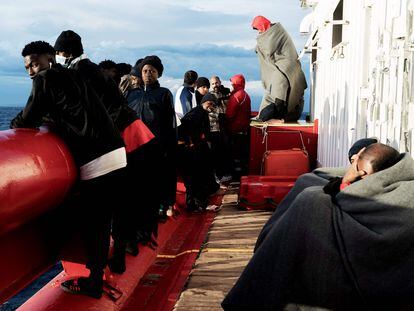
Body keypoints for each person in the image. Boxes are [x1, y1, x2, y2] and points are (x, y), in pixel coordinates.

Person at [222, 143, 414, 311]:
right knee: (308, 184)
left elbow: (349, 198)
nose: (352, 162)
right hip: (385, 271)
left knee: (311, 203)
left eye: (356, 164)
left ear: (363, 173)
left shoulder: (389, 194)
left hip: (368, 277)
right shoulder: (402, 180)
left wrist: (346, 180)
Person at [11, 41, 126, 299]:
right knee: (109, 216)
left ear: (50, 58)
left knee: (94, 225)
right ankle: (117, 261)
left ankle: (94, 282)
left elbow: (27, 118)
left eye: (35, 63)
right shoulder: (73, 75)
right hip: (117, 150)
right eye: (28, 67)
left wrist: (18, 123)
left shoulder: (45, 79)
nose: (31, 71)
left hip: (96, 157)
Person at [54, 30, 157, 274]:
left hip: (126, 139)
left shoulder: (80, 73)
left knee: (122, 201)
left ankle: (121, 253)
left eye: (58, 53)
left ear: (65, 53)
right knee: (129, 199)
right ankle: (125, 249)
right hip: (136, 136)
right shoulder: (90, 70)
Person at [127, 55, 177, 221]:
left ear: (158, 74)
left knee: (157, 178)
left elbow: (170, 122)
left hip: (156, 145)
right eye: (145, 71)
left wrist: (169, 146)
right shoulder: (132, 94)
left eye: (152, 71)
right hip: (135, 145)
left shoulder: (164, 94)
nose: (148, 74)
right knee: (138, 180)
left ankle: (160, 208)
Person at [251, 15, 307, 122]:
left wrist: (258, 45)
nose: (258, 33)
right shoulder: (275, 33)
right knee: (271, 92)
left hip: (285, 67)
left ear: (262, 26)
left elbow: (268, 49)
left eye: (259, 29)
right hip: (286, 67)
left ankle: (273, 117)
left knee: (277, 90)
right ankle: (263, 116)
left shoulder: (275, 33)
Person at [177, 93, 220, 211]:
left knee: (195, 177)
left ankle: (196, 203)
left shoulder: (202, 113)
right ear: (203, 103)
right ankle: (197, 204)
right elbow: (185, 128)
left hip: (192, 147)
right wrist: (190, 142)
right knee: (194, 177)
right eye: (209, 103)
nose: (211, 106)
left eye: (213, 105)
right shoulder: (196, 114)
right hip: (188, 149)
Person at [226, 74, 251, 180]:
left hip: (235, 130)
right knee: (241, 156)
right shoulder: (245, 95)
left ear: (236, 83)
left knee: (234, 155)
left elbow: (229, 114)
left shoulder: (236, 96)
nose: (231, 84)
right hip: (243, 130)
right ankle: (242, 175)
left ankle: (235, 177)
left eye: (232, 82)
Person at [209, 76, 232, 182]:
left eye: (216, 83)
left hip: (224, 125)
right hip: (213, 127)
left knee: (225, 150)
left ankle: (226, 173)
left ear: (220, 82)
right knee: (215, 152)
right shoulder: (209, 96)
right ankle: (217, 175)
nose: (215, 85)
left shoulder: (226, 92)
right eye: (213, 84)